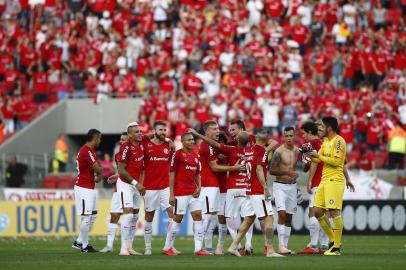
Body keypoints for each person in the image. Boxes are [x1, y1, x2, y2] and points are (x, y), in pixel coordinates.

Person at [188, 128, 255, 256]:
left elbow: (215, 145)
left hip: (230, 188)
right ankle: (236, 244)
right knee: (244, 217)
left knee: (226, 217)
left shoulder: (231, 150)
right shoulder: (252, 151)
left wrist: (198, 134)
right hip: (243, 188)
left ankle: (228, 245)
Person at [305, 117, 351, 256]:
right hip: (324, 181)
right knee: (317, 211)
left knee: (334, 212)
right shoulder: (325, 142)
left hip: (334, 181)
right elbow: (319, 159)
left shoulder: (339, 141)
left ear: (329, 128)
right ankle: (333, 239)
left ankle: (336, 248)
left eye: (322, 127)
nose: (319, 129)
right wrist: (309, 155)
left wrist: (319, 156)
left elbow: (337, 162)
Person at [198, 120, 245, 254]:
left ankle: (220, 245)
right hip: (212, 186)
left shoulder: (228, 151)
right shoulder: (210, 149)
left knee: (225, 217)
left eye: (224, 140)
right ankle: (206, 245)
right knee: (211, 217)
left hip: (224, 187)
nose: (221, 142)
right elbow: (213, 166)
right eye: (215, 131)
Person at [163, 132, 212, 256]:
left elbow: (197, 174)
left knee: (198, 216)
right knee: (178, 218)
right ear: (183, 142)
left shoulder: (195, 156)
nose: (192, 142)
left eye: (192, 140)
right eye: (189, 140)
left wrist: (199, 187)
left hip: (193, 192)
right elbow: (172, 174)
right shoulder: (178, 155)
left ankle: (198, 249)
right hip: (180, 192)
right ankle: (167, 247)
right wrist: (171, 194)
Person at [142, 121, 178, 256]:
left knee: (173, 214)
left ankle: (169, 246)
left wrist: (169, 140)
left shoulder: (169, 146)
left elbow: (173, 166)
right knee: (149, 216)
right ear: (154, 130)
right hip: (150, 187)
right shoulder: (146, 145)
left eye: (165, 130)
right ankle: (148, 247)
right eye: (161, 130)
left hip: (165, 187)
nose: (163, 132)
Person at [245, 131, 283, 257]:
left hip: (250, 189)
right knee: (269, 218)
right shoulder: (261, 151)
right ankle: (270, 250)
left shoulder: (249, 150)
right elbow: (259, 169)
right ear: (267, 139)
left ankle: (234, 245)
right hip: (258, 190)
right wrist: (265, 187)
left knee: (248, 220)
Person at [297, 121, 329, 254]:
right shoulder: (326, 143)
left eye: (304, 133)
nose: (303, 136)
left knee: (313, 213)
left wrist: (306, 156)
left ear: (310, 132)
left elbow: (305, 167)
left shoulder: (310, 145)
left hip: (318, 183)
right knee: (325, 214)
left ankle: (313, 245)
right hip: (329, 183)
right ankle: (325, 245)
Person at [116, 122, 146, 256]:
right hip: (126, 184)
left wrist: (141, 183)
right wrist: (136, 183)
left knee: (134, 216)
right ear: (129, 135)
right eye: (136, 132)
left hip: (136, 185)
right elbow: (121, 169)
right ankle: (123, 248)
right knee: (128, 214)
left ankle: (129, 247)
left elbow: (142, 168)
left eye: (140, 131)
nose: (140, 133)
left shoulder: (141, 145)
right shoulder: (126, 148)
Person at [269, 126, 300, 255]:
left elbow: (302, 166)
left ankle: (285, 247)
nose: (289, 138)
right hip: (280, 186)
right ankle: (281, 246)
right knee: (281, 214)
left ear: (294, 136)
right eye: (286, 136)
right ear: (283, 136)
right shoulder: (278, 152)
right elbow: (271, 170)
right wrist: (287, 172)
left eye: (291, 136)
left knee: (289, 217)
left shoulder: (297, 151)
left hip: (292, 187)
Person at [72, 129, 103, 253]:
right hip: (83, 188)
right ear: (95, 138)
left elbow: (98, 167)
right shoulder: (86, 151)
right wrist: (100, 173)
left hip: (89, 187)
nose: (100, 141)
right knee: (86, 217)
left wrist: (99, 173)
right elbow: (98, 168)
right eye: (99, 138)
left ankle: (79, 241)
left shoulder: (91, 151)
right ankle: (84, 246)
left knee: (92, 216)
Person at [100, 132, 128, 253]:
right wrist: (116, 176)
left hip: (129, 189)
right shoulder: (118, 155)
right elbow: (123, 172)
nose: (121, 142)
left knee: (129, 217)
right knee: (114, 216)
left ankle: (127, 246)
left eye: (124, 140)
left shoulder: (135, 154)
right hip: (118, 189)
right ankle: (109, 246)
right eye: (120, 140)